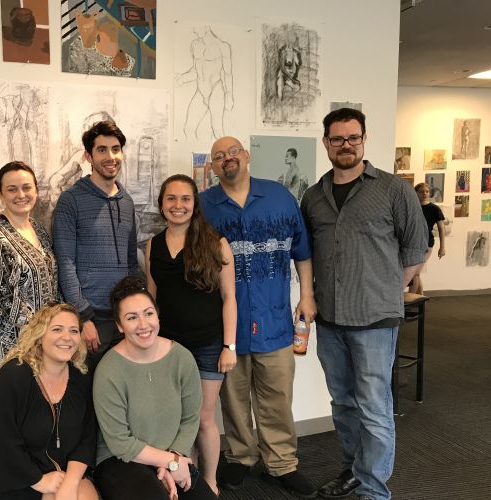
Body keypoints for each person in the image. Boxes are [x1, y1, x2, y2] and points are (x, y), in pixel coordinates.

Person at [300, 108, 428, 500]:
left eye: (353, 138)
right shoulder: (314, 196)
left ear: (364, 139)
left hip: (374, 321)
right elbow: (308, 251)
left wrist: (389, 288)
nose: (345, 145)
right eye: (337, 139)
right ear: (326, 143)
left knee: (374, 407)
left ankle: (374, 490)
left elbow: (417, 247)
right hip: (331, 320)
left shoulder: (393, 190)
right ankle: (354, 470)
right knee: (343, 403)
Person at [200, 136, 318, 499]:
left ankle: (282, 463)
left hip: (276, 321)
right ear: (213, 167)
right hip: (227, 326)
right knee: (233, 399)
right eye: (219, 156)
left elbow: (302, 249)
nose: (227, 159)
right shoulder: (204, 206)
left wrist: (308, 295)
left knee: (277, 397)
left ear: (246, 156)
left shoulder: (280, 197)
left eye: (233, 151)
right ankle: (240, 457)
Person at [144, 174, 236, 495]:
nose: (178, 205)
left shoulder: (215, 243)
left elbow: (229, 299)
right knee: (178, 419)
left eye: (185, 199)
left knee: (204, 419)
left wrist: (229, 345)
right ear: (162, 204)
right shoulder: (152, 245)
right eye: (171, 199)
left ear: (195, 204)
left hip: (209, 345)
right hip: (169, 347)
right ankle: (188, 476)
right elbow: (151, 301)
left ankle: (209, 482)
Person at [92, 277, 216, 500]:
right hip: (120, 461)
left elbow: (190, 419)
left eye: (148, 313)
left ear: (157, 315)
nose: (143, 324)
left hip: (170, 452)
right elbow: (120, 442)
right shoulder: (108, 370)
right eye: (131, 317)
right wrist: (170, 462)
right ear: (119, 325)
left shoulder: (182, 358)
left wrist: (175, 456)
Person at [0, 303, 98, 500]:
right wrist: (40, 481)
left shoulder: (81, 375)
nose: (67, 337)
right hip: (15, 474)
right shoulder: (14, 375)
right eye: (57, 329)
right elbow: (3, 442)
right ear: (40, 335)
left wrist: (70, 483)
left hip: (63, 471)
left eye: (74, 330)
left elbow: (87, 436)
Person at [52, 120, 138, 368]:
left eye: (115, 149)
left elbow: (132, 262)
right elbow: (65, 263)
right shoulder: (71, 201)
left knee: (118, 395)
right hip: (90, 321)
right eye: (102, 150)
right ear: (88, 156)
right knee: (86, 397)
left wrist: (132, 312)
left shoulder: (127, 202)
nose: (110, 156)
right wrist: (83, 317)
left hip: (122, 318)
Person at [0, 161, 59, 391]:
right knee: (13, 411)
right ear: (1, 193)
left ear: (36, 190)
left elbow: (53, 282)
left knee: (42, 410)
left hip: (45, 341)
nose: (21, 194)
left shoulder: (39, 229)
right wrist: (37, 331)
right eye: (12, 189)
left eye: (26, 187)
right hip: (11, 344)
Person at [410, 183, 446, 295]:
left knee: (414, 273)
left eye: (426, 191)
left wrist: (442, 247)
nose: (425, 194)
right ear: (416, 193)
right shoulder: (412, 207)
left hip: (427, 244)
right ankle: (420, 298)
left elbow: (441, 228)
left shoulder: (434, 209)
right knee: (416, 273)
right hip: (412, 243)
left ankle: (408, 302)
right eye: (421, 191)